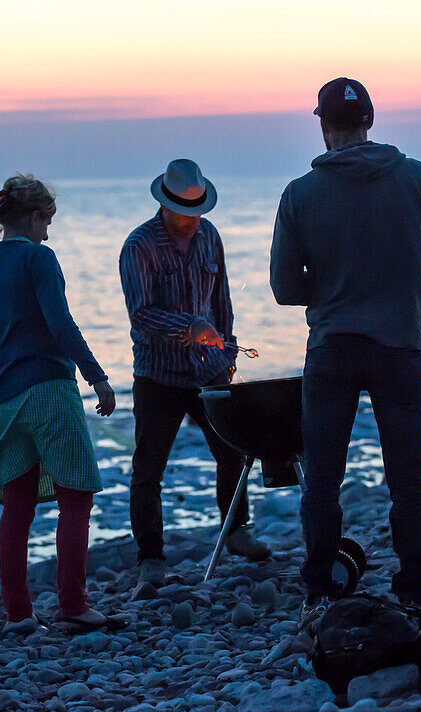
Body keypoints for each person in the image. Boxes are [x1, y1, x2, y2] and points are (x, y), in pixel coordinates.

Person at [269, 79, 421, 629]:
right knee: (407, 478)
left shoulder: (300, 194)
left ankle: (318, 591)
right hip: (399, 348)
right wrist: (406, 264)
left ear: (322, 124)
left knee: (323, 478)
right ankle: (413, 588)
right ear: (372, 120)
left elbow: (285, 289)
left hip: (333, 348)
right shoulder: (415, 177)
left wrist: (338, 279)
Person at [0, 174, 120, 633]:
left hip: (2, 401)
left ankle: (19, 615)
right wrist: (97, 376)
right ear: (33, 216)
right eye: (48, 220)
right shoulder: (39, 258)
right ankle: (74, 605)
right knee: (76, 496)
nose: (50, 230)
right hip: (48, 389)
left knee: (18, 505)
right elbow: (60, 325)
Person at [120, 158, 271, 587]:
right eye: (184, 211)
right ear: (165, 204)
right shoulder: (139, 246)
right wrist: (188, 328)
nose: (192, 218)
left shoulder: (210, 238)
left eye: (197, 211)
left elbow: (221, 300)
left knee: (233, 451)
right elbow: (141, 315)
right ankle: (150, 558)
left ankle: (237, 531)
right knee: (149, 468)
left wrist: (228, 352)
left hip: (209, 371)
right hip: (158, 374)